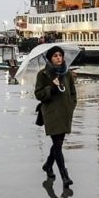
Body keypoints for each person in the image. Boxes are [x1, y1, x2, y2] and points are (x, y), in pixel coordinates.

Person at [35, 46, 77, 187]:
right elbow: (38, 94)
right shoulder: (43, 74)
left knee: (57, 143)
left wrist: (71, 106)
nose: (58, 58)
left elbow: (73, 93)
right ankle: (65, 176)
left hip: (65, 112)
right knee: (58, 145)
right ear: (50, 59)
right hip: (51, 113)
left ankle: (48, 165)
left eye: (60, 55)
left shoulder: (67, 73)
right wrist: (51, 87)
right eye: (55, 56)